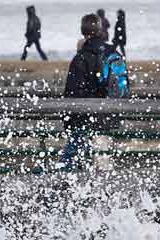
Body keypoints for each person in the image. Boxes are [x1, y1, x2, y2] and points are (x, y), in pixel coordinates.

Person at [59, 14, 110, 171]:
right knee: (100, 158)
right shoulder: (110, 53)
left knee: (69, 160)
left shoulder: (81, 58)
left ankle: (66, 187)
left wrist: (67, 120)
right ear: (101, 30)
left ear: (83, 31)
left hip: (84, 117)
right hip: (108, 114)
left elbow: (72, 93)